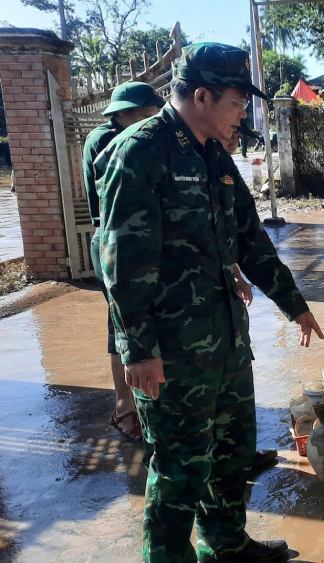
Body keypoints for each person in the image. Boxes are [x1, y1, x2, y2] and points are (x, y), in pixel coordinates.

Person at [94, 42, 324, 562]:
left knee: (231, 453)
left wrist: (293, 302)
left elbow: (250, 237)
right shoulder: (142, 152)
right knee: (179, 469)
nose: (242, 114)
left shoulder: (214, 154)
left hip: (224, 340)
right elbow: (122, 264)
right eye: (237, 102)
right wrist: (139, 349)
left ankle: (226, 546)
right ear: (202, 96)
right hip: (172, 351)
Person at [82, 81, 164, 442]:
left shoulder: (122, 135)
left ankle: (146, 405)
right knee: (123, 326)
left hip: (131, 237)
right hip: (114, 240)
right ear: (128, 113)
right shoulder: (107, 140)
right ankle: (124, 408)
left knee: (137, 322)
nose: (153, 119)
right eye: (148, 113)